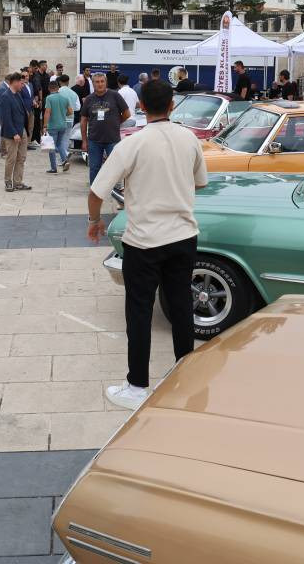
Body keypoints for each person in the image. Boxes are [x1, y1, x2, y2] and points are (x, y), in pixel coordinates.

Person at [87, 80, 207, 410]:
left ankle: (137, 385)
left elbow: (97, 191)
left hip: (144, 241)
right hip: (182, 236)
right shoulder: (189, 138)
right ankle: (186, 374)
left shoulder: (133, 144)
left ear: (141, 105)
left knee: (139, 313)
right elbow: (199, 182)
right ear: (172, 105)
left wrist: (94, 221)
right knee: (182, 307)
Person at [79, 73, 130, 185]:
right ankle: (95, 190)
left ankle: (116, 188)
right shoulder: (89, 99)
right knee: (94, 167)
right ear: (93, 84)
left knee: (115, 167)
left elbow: (127, 113)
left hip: (112, 139)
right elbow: (83, 120)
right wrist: (84, 140)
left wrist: (117, 122)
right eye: (97, 82)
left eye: (102, 81)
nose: (100, 84)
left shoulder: (115, 95)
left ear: (106, 82)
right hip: (94, 140)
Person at [0, 72, 29, 192]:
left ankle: (18, 182)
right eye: (21, 83)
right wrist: (14, 133)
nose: (23, 85)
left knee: (22, 158)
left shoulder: (18, 94)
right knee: (11, 158)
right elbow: (6, 117)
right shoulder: (5, 96)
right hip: (12, 133)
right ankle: (8, 182)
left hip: (22, 131)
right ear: (14, 82)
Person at [43, 75, 73, 173]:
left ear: (49, 88)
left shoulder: (49, 98)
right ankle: (65, 160)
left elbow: (47, 112)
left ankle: (53, 167)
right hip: (62, 125)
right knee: (60, 144)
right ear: (58, 88)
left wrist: (44, 126)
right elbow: (70, 111)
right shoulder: (64, 98)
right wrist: (62, 114)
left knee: (51, 146)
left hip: (53, 126)